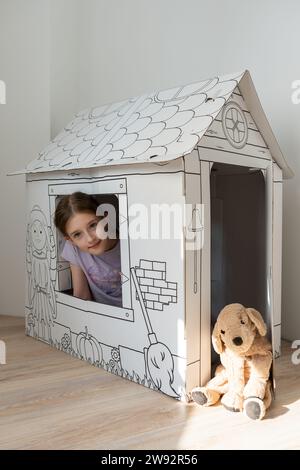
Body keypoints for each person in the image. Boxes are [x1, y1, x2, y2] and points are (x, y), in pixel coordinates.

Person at [54, 192, 122, 308]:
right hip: (102, 317)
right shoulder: (74, 249)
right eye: (77, 234)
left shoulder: (127, 244)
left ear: (105, 218)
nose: (90, 239)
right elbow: (81, 295)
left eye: (93, 225)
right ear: (70, 240)